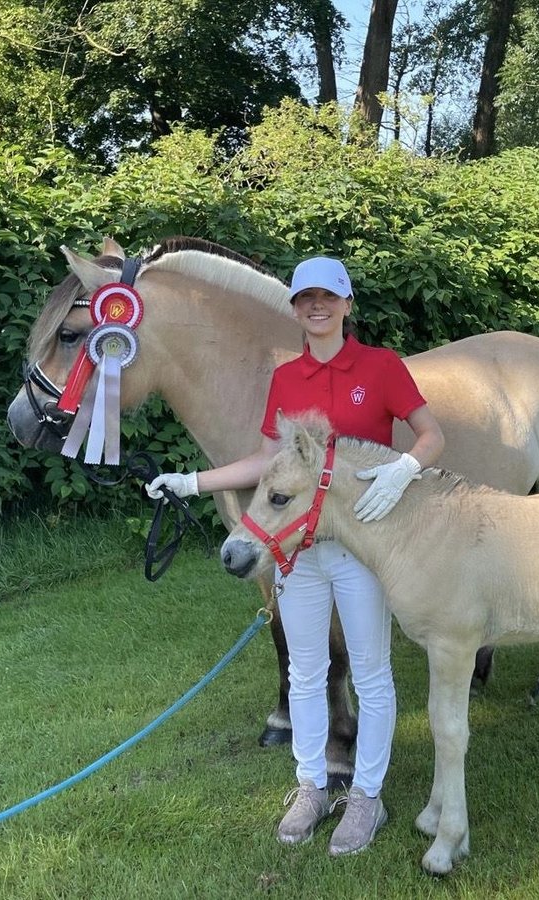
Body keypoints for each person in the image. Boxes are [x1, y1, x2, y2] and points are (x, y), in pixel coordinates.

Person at [146, 256, 444, 855]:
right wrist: (192, 482)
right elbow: (267, 464)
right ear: (295, 309)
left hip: (361, 543)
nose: (316, 306)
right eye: (305, 298)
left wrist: (408, 467)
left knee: (371, 674)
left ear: (347, 304)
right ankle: (310, 785)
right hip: (299, 551)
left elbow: (432, 434)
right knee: (305, 673)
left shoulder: (381, 367)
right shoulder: (285, 378)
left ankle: (366, 796)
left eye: (327, 297)